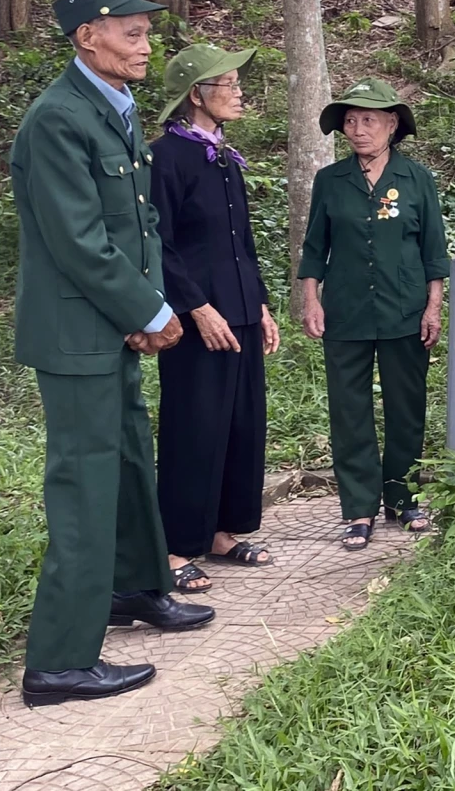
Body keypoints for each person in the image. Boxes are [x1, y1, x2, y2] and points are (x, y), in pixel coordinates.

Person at [9, 0, 214, 708]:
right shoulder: (57, 119)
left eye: (147, 31)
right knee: (85, 486)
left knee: (128, 463)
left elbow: (140, 223)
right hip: (76, 335)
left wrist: (149, 305)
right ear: (85, 36)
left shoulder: (114, 107)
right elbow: (78, 240)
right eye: (131, 32)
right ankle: (59, 663)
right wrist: (147, 310)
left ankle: (135, 587)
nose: (144, 44)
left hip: (114, 326)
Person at [149, 43, 281, 596]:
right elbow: (158, 241)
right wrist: (195, 307)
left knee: (242, 422)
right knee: (195, 425)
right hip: (197, 315)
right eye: (226, 84)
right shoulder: (167, 158)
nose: (238, 91)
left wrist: (262, 303)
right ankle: (176, 545)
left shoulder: (224, 157)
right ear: (195, 95)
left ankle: (224, 533)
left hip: (240, 309)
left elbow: (241, 242)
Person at [296, 79, 450, 551]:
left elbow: (433, 250)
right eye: (350, 121)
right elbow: (314, 248)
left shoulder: (416, 179)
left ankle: (403, 498)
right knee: (350, 410)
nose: (357, 129)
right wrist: (310, 298)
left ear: (392, 125)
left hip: (404, 309)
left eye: (368, 120)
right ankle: (359, 508)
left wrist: (433, 306)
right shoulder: (331, 181)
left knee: (406, 406)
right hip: (345, 310)